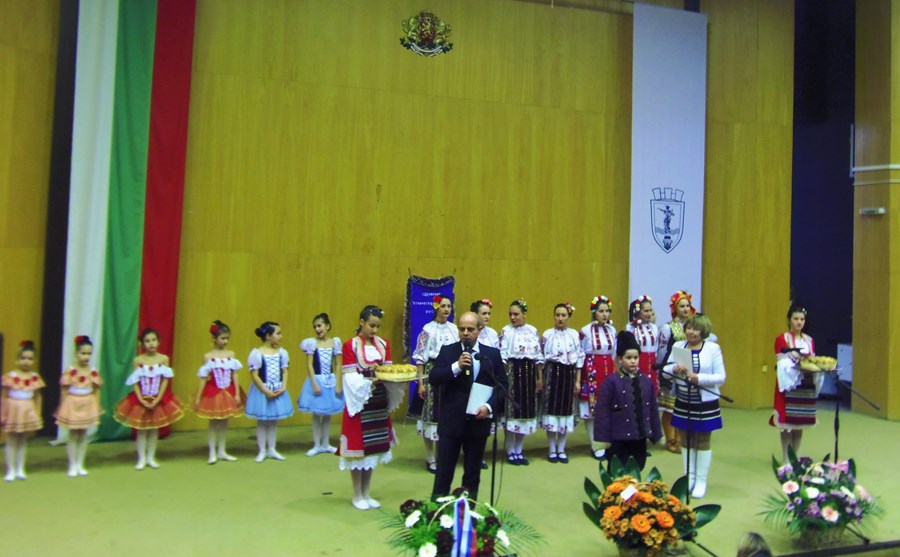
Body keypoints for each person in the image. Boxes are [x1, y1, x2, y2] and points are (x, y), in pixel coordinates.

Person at [430, 312, 506, 501]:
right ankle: (436, 512)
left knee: (472, 474)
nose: (465, 333)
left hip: (477, 423)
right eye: (462, 329)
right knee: (443, 472)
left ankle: (468, 511)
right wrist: (456, 366)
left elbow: (503, 386)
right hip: (451, 423)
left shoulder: (491, 355)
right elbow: (434, 378)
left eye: (470, 329)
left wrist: (489, 407)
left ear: (480, 329)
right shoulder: (448, 351)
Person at [339, 305, 403, 510]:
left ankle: (366, 492)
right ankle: (357, 494)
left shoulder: (383, 344)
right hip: (360, 402)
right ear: (361, 322)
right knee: (359, 451)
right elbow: (349, 377)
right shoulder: (350, 346)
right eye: (371, 325)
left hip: (378, 401)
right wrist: (371, 380)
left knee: (374, 449)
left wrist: (385, 375)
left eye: (377, 326)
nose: (374, 330)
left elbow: (389, 370)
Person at [666, 313, 726, 498]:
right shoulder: (678, 346)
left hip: (705, 402)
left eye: (696, 329)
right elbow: (666, 371)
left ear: (704, 331)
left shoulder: (713, 348)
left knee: (702, 440)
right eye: (689, 328)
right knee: (685, 439)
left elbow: (721, 377)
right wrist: (674, 368)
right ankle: (688, 477)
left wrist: (699, 378)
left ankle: (701, 480)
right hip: (683, 400)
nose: (691, 332)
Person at [114, 328, 185, 470]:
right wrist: (141, 399)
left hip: (158, 398)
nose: (151, 343)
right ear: (142, 344)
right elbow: (135, 381)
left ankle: (151, 457)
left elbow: (165, 380)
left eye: (153, 340)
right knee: (142, 429)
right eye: (147, 341)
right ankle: (141, 458)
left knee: (153, 429)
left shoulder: (163, 359)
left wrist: (158, 398)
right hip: (141, 398)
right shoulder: (138, 360)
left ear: (158, 342)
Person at [593, 331, 662, 471]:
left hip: (640, 437)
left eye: (636, 357)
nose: (633, 361)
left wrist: (656, 433)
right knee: (617, 470)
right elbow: (602, 412)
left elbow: (653, 409)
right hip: (618, 438)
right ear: (619, 359)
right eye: (628, 357)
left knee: (638, 468)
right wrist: (602, 439)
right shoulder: (611, 382)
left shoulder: (646, 381)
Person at [412, 295, 458, 473]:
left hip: (450, 373)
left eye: (449, 306)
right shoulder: (427, 329)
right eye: (443, 306)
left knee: (446, 416)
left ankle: (442, 456)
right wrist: (421, 383)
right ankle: (430, 457)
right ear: (436, 307)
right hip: (432, 373)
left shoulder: (454, 329)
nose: (446, 309)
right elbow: (420, 358)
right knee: (431, 415)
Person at [770, 305, 820, 463]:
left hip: (805, 384)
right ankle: (786, 458)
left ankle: (796, 457)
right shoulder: (782, 339)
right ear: (789, 320)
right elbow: (781, 361)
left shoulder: (809, 340)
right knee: (786, 424)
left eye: (802, 319)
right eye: (796, 319)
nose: (799, 322)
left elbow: (813, 359)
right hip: (788, 384)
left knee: (800, 421)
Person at [499, 299, 544, 465]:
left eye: (516, 314)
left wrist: (539, 378)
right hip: (513, 373)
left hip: (529, 374)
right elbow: (503, 355)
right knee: (512, 412)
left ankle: (519, 450)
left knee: (525, 413)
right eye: (510, 314)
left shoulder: (532, 331)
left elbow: (538, 356)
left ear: (524, 314)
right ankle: (510, 450)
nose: (512, 317)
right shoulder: (506, 331)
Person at [194, 320, 244, 464]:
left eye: (227, 338)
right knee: (213, 423)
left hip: (228, 391)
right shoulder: (208, 356)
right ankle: (212, 452)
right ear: (214, 338)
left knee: (224, 422)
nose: (225, 341)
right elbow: (204, 377)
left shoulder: (231, 354)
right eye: (223, 338)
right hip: (213, 392)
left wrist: (237, 393)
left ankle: (222, 451)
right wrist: (198, 397)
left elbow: (234, 374)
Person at [541, 303, 584, 463]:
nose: (560, 318)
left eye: (563, 315)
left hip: (568, 375)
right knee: (552, 411)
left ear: (568, 316)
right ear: (554, 316)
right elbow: (542, 358)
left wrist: (578, 381)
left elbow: (579, 359)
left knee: (566, 412)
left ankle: (561, 449)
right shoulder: (547, 334)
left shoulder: (574, 335)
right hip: (552, 374)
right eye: (557, 315)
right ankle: (552, 449)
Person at [55, 335, 104, 476]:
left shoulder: (93, 371)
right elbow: (64, 390)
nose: (86, 357)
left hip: (87, 403)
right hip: (73, 404)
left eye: (89, 354)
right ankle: (72, 464)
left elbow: (96, 390)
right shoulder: (70, 371)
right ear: (76, 353)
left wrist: (96, 406)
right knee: (73, 435)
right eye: (83, 353)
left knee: (83, 435)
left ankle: (80, 463)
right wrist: (62, 406)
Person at [245, 321, 293, 462]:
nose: (281, 336)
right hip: (262, 391)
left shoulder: (282, 353)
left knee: (273, 421)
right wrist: (265, 391)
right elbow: (254, 375)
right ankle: (262, 450)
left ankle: (272, 449)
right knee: (262, 421)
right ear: (268, 336)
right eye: (278, 333)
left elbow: (285, 371)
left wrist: (283, 386)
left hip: (277, 389)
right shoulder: (256, 354)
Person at [298, 313, 344, 456]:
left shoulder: (335, 343)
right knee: (317, 414)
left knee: (328, 414)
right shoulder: (312, 344)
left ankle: (325, 443)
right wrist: (314, 383)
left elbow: (338, 364)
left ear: (327, 326)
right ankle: (317, 445)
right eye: (315, 327)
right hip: (317, 380)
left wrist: (338, 383)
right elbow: (309, 365)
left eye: (319, 325)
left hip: (330, 381)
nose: (317, 329)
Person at [657, 291, 696, 454]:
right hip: (672, 370)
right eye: (682, 306)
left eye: (687, 306)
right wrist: (662, 369)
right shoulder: (667, 328)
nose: (685, 309)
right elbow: (662, 350)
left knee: (683, 407)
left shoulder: (694, 327)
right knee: (669, 407)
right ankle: (670, 439)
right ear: (675, 308)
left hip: (688, 371)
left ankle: (680, 438)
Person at [579, 295, 617, 459]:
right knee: (592, 409)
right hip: (592, 371)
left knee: (608, 408)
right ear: (594, 312)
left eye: (607, 311)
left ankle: (607, 443)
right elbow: (581, 353)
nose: (605, 314)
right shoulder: (586, 330)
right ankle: (595, 445)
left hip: (608, 369)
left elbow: (614, 353)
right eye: (601, 311)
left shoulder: (612, 330)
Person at [2, 340, 45, 481]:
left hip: (27, 410)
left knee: (22, 440)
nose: (26, 361)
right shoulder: (10, 376)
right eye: (23, 358)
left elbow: (38, 397)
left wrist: (37, 413)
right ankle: (11, 469)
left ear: (34, 360)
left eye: (30, 359)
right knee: (11, 440)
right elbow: (4, 396)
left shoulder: (34, 377)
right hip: (13, 410)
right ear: (17, 359)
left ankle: (20, 468)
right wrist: (3, 413)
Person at [626, 296, 660, 396]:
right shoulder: (630, 328)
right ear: (638, 311)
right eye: (646, 311)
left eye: (650, 310)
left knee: (652, 392)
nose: (649, 313)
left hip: (652, 364)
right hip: (638, 363)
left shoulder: (654, 327)